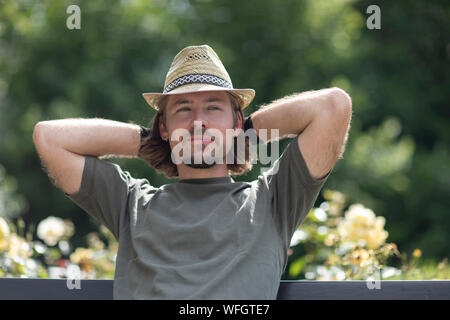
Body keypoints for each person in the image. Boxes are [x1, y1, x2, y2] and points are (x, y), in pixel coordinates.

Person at [32, 44, 352, 299]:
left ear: (236, 121)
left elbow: (332, 107)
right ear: (165, 126)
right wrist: (153, 141)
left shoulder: (272, 202)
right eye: (183, 109)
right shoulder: (130, 205)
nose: (198, 120)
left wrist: (244, 132)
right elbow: (50, 138)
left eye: (213, 107)